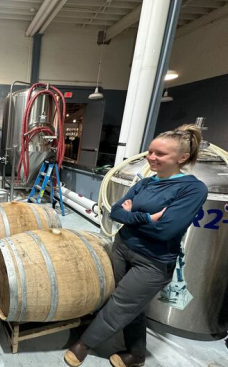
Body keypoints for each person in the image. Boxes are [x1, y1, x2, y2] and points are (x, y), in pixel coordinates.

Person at [64, 125, 208, 367]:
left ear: (182, 158)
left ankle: (84, 345)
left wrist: (134, 217)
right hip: (122, 248)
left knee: (122, 303)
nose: (151, 157)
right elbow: (117, 212)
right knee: (133, 305)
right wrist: (147, 218)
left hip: (153, 261)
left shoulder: (192, 189)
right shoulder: (147, 182)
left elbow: (166, 231)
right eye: (150, 152)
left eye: (160, 154)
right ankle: (136, 354)